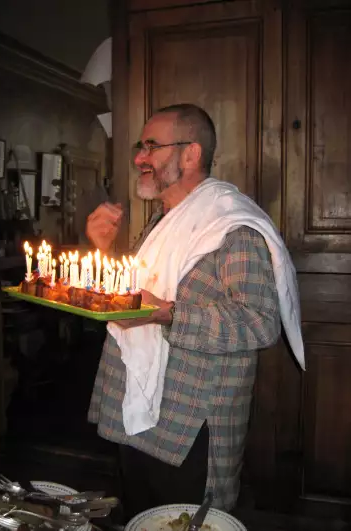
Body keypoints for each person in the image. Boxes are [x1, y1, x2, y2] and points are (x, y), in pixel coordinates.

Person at [86, 104, 302, 519]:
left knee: (184, 523)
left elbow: (259, 323)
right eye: (140, 147)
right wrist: (104, 250)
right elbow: (138, 295)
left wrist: (168, 314)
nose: (139, 158)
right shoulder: (163, 221)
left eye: (151, 146)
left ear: (190, 154)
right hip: (135, 408)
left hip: (190, 424)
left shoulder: (232, 228)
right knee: (140, 518)